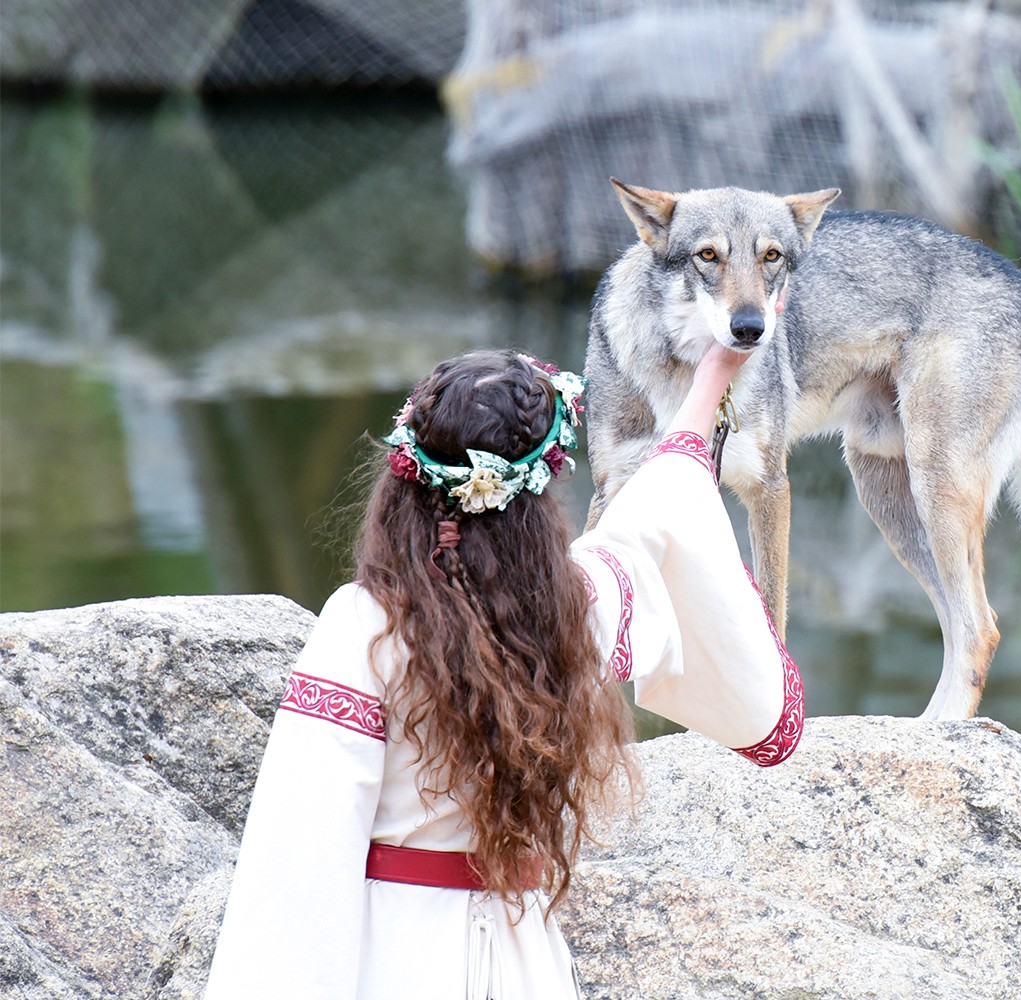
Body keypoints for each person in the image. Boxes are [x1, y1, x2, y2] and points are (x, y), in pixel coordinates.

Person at [205, 346, 804, 999]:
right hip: (525, 969)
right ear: (538, 497)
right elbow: (655, 522)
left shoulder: (363, 627)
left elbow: (299, 861)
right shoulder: (572, 615)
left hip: (394, 960)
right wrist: (712, 379)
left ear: (406, 478)